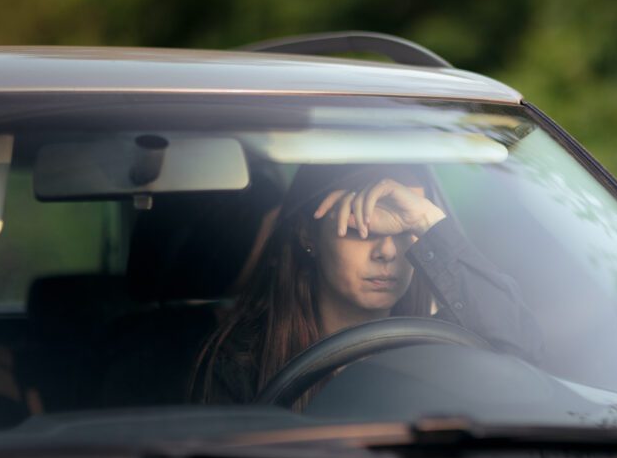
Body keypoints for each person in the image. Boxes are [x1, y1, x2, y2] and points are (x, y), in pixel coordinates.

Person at [193, 164, 540, 405]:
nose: (387, 251)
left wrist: (427, 220)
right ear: (307, 234)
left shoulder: (450, 347)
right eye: (362, 228)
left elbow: (525, 361)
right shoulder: (242, 362)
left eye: (406, 232)